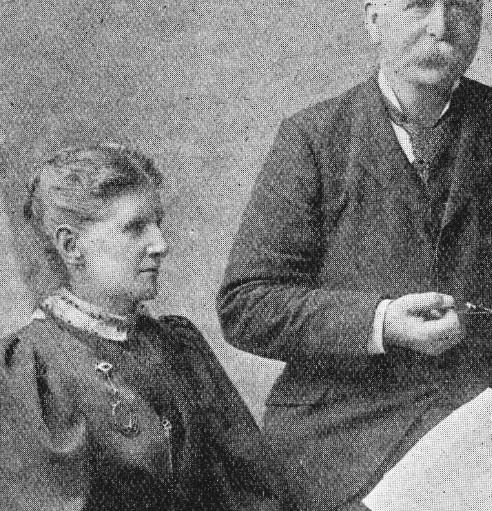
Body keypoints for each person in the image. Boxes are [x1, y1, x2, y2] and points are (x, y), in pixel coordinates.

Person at [217, 0, 492, 510]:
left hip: (486, 445)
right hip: (342, 453)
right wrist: (380, 322)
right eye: (418, 6)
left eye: (460, 8)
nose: (441, 28)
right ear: (374, 20)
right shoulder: (312, 140)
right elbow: (247, 302)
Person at [0, 144, 301, 511]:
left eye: (158, 223)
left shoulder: (179, 345)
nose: (160, 244)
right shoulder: (31, 370)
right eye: (135, 228)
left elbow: (251, 489)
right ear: (71, 245)